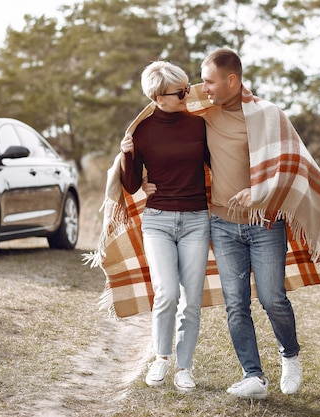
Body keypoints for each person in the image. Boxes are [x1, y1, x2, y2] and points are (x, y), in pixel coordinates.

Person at [197, 48, 302, 399]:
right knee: (236, 304)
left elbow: (291, 167)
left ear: (232, 80)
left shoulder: (268, 115)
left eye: (210, 80)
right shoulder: (205, 113)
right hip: (223, 225)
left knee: (273, 298)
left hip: (265, 223)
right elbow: (162, 106)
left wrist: (260, 191)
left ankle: (290, 355)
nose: (204, 87)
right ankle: (253, 376)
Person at [119, 61, 210, 393]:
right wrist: (128, 156)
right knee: (167, 293)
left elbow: (219, 164)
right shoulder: (140, 132)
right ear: (158, 97)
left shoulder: (199, 126)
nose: (188, 94)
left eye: (187, 87)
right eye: (180, 91)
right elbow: (130, 185)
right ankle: (161, 357)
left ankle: (185, 367)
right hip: (157, 222)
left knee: (192, 300)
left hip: (197, 220)